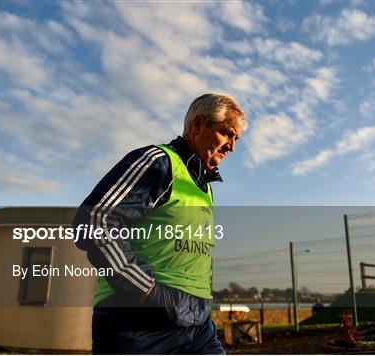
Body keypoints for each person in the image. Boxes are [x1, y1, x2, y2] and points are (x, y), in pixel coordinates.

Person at [72, 93, 247, 354]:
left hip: (197, 325)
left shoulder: (204, 188)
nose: (231, 146)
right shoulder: (159, 162)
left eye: (236, 139)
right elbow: (95, 220)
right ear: (198, 125)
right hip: (138, 325)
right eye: (226, 133)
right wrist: (148, 292)